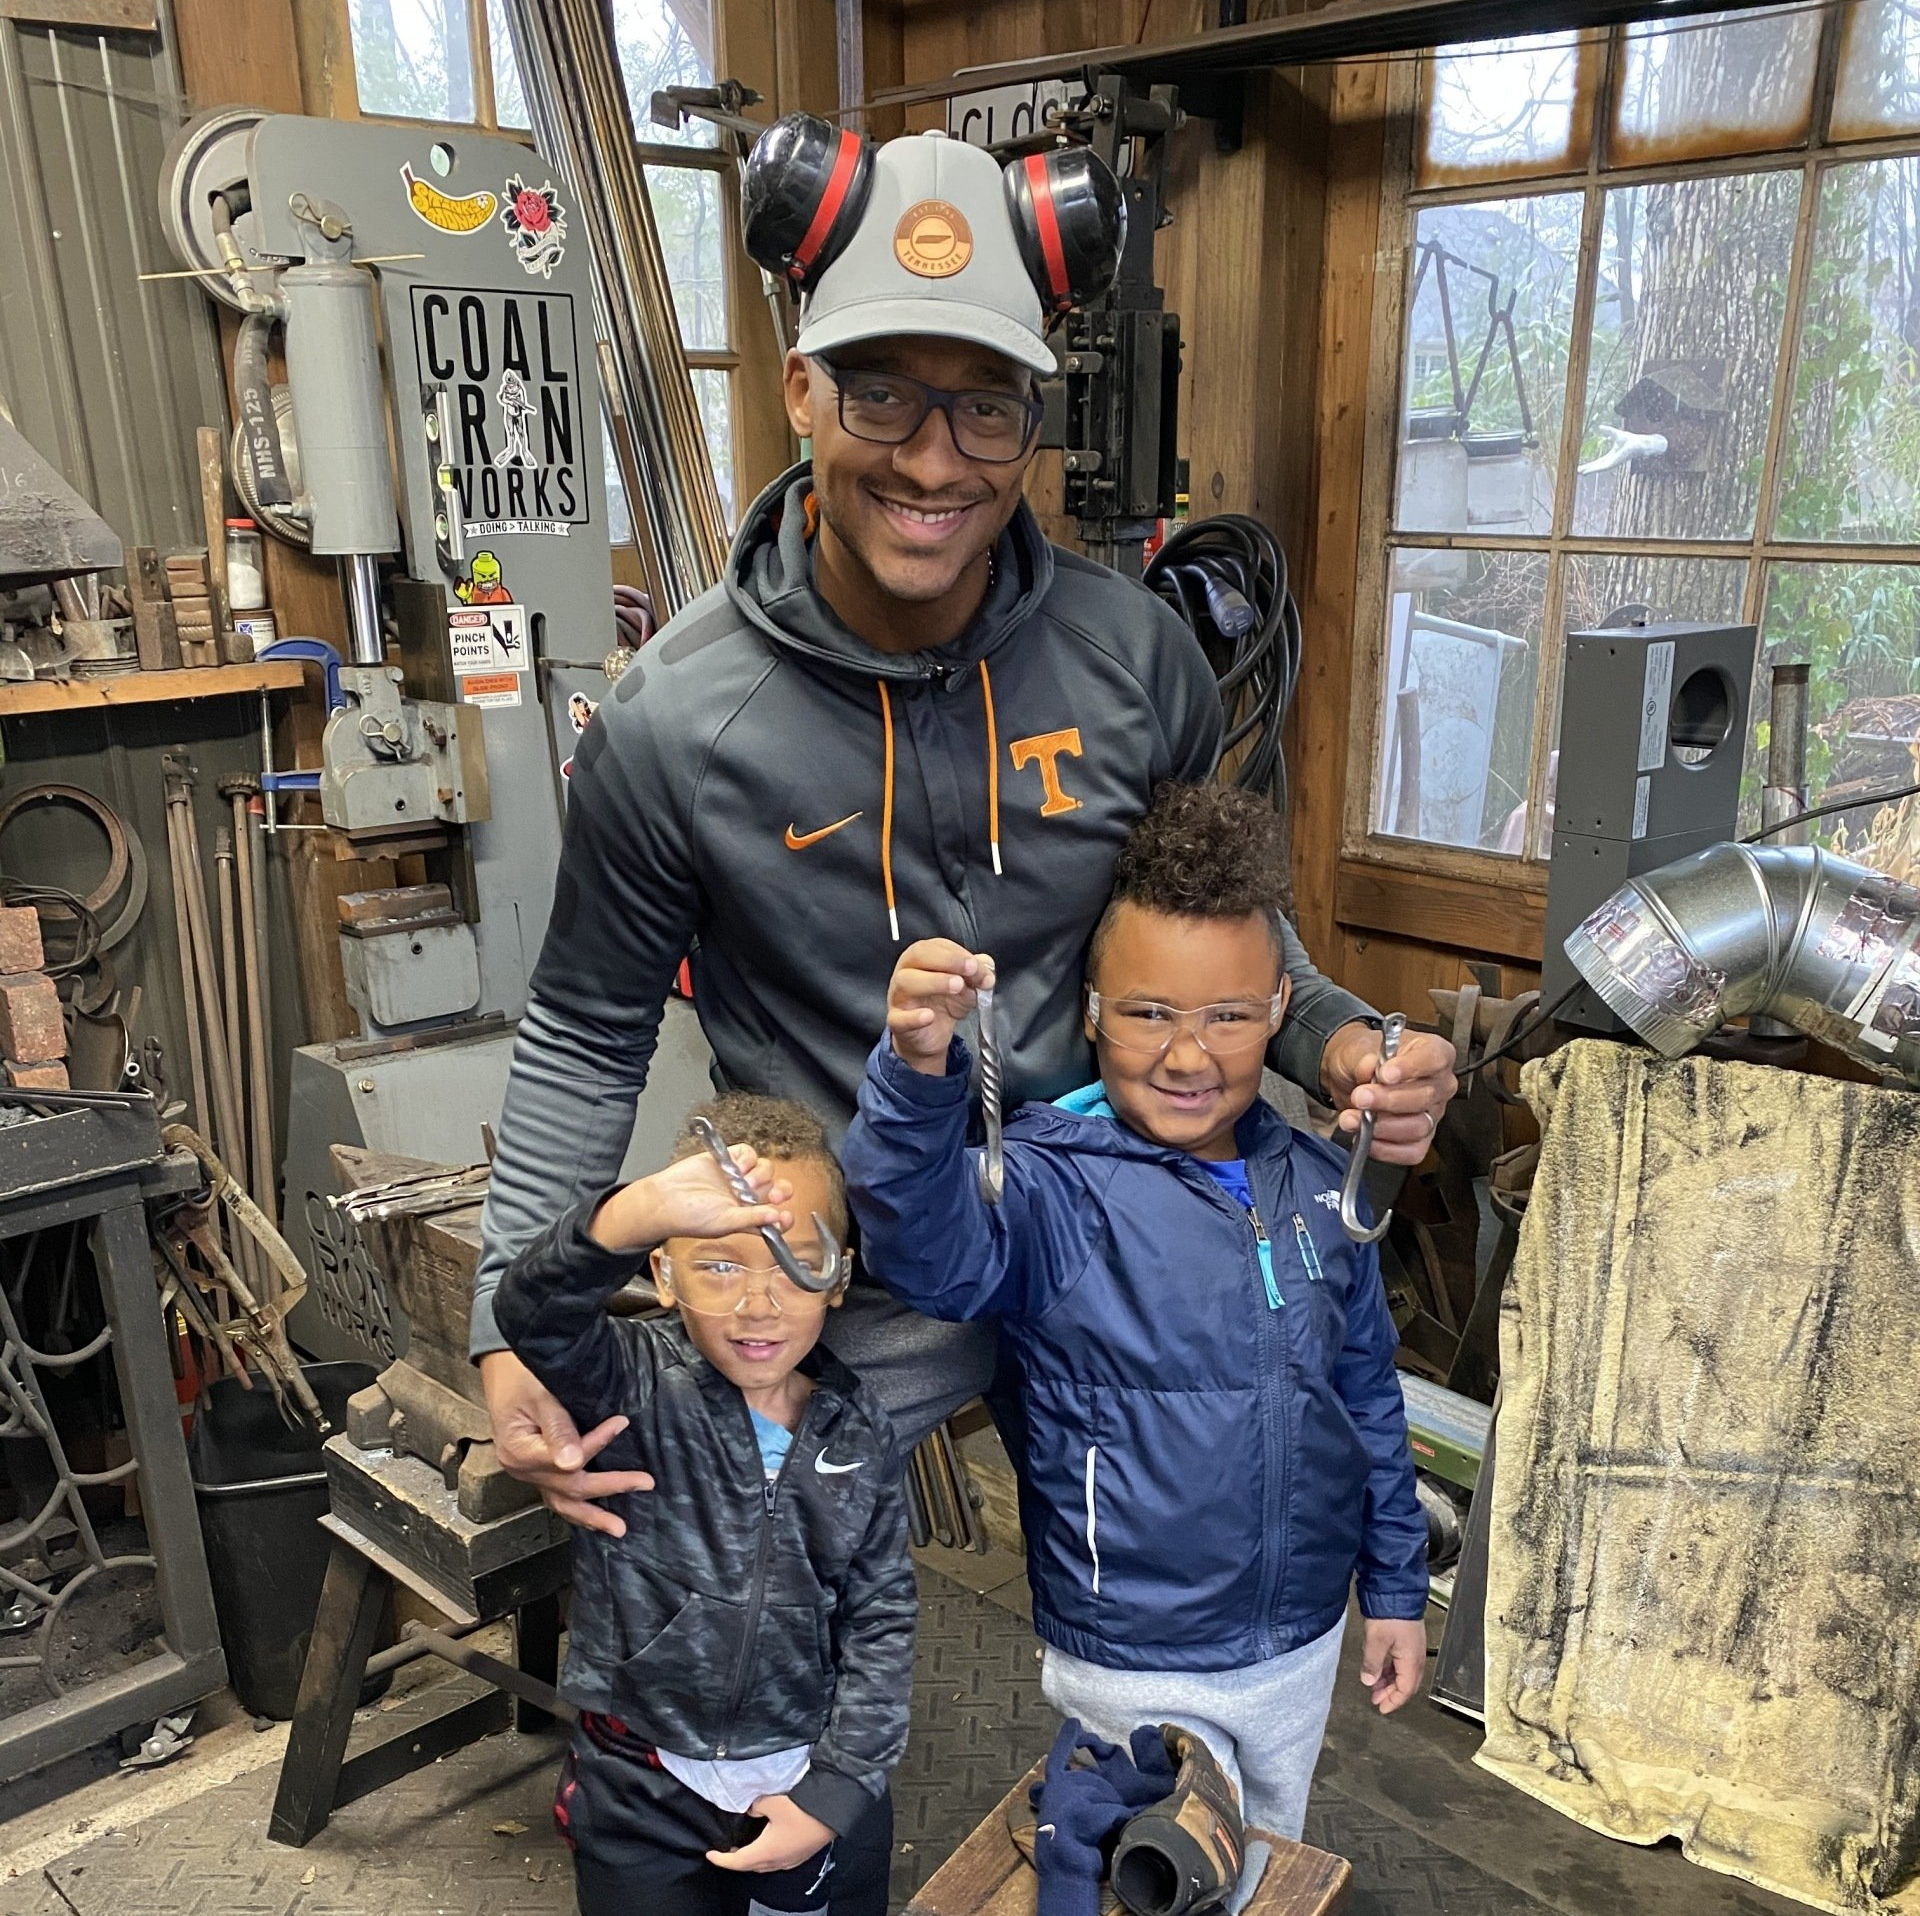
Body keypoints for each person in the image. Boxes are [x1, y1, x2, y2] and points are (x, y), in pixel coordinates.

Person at [472, 119, 1458, 1520]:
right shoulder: (678, 724)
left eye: (986, 407)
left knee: (1195, 1568)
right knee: (737, 1573)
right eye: (881, 396)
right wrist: (507, 1320)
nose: (935, 464)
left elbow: (1233, 944)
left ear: (1034, 423)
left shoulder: (1136, 664)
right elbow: (586, 1029)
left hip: (1113, 1220)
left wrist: (1346, 1038)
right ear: (802, 390)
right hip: (857, 1274)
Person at [841, 783, 1429, 1842]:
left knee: (1266, 1863)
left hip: (1299, 1640)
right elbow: (920, 1247)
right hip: (1130, 1653)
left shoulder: (1318, 1185)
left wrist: (1394, 1586)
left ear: (1280, 1010)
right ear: (1092, 1010)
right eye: (1150, 1011)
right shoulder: (1048, 1189)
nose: (1188, 1055)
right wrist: (916, 1072)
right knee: (1145, 1874)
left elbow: (1367, 1394)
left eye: (1228, 1015)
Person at [493, 1092, 913, 1916]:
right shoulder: (629, 1378)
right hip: (639, 1781)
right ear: (662, 1273)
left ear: (838, 1277)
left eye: (794, 1263)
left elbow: (882, 1616)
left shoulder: (859, 1429)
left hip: (807, 1770)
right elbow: (531, 1315)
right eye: (720, 1266)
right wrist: (632, 1214)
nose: (758, 1305)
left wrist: (837, 1791)